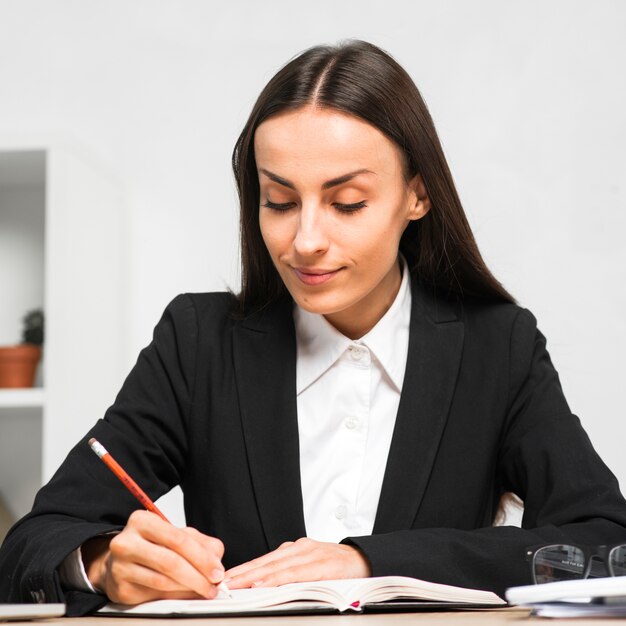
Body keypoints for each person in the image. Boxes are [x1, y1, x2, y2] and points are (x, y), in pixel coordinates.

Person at [1, 39, 625, 616]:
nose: (305, 241)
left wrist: (370, 562)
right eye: (278, 200)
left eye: (347, 203)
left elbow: (606, 542)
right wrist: (105, 561)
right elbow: (33, 541)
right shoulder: (198, 342)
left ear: (418, 194)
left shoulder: (498, 347)